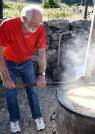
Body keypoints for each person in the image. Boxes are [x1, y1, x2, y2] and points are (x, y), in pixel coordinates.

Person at [0, 5, 46, 133]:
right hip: (8, 62)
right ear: (23, 19)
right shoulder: (7, 26)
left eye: (39, 24)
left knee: (32, 90)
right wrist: (5, 78)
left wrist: (42, 74)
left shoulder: (39, 28)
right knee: (10, 92)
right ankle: (14, 120)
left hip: (26, 62)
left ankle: (37, 117)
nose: (37, 27)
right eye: (33, 24)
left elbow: (42, 54)